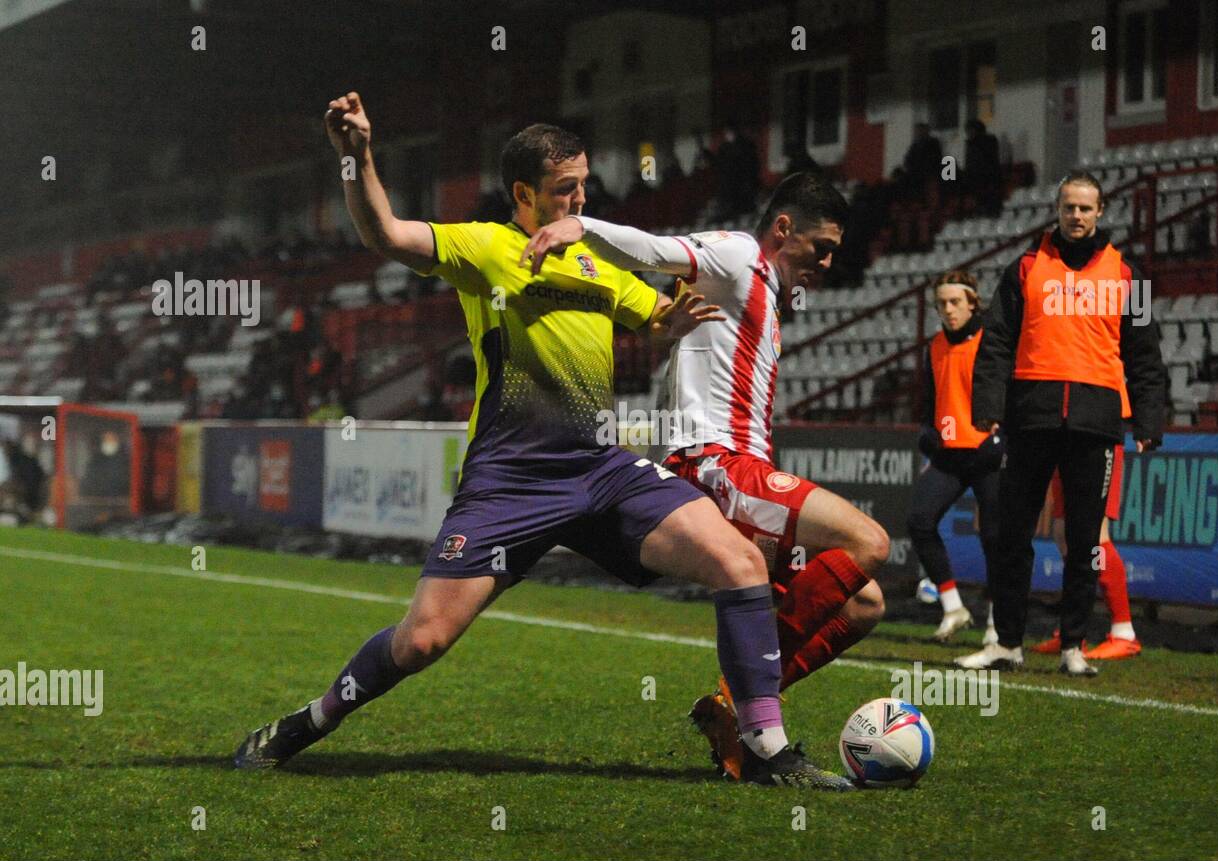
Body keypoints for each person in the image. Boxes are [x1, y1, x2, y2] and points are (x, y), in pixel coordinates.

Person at [233, 94, 853, 791]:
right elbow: (386, 234)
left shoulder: (593, 261)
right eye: (568, 189)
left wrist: (673, 322)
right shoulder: (485, 245)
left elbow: (659, 316)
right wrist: (358, 158)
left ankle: (767, 750)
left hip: (602, 470)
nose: (582, 197)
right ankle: (307, 721)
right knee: (422, 640)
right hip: (512, 480)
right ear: (524, 193)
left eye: (586, 184)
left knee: (739, 562)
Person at [521, 172, 890, 781]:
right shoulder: (741, 256)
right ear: (782, 229)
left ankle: (735, 710)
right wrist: (578, 227)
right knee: (869, 542)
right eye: (819, 246)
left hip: (742, 467)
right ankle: (748, 712)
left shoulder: (766, 294)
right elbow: (656, 248)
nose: (826, 262)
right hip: (715, 465)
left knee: (864, 603)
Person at [955, 170, 1165, 677]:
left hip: (1096, 425)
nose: (1077, 216)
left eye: (1086, 208)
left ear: (1099, 213)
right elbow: (998, 342)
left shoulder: (1128, 277)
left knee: (1085, 543)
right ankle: (1006, 642)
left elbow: (1144, 354)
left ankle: (1074, 645)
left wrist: (1150, 420)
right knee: (1013, 535)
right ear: (1057, 209)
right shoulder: (1025, 268)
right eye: (1069, 207)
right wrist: (989, 405)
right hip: (1032, 420)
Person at [906, 270, 1002, 644]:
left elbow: (1011, 390)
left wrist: (1003, 434)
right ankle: (953, 606)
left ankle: (997, 623)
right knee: (919, 520)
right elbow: (929, 401)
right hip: (949, 453)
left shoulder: (993, 341)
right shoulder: (934, 346)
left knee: (996, 538)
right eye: (942, 303)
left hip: (987, 452)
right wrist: (928, 432)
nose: (948, 310)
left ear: (973, 302)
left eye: (955, 302)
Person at [1032, 446, 1141, 659]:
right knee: (1063, 533)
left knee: (1095, 539)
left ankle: (1124, 632)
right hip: (1066, 441)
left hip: (1098, 441)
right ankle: (1073, 633)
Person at [963, 120, 1003, 216]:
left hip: (987, 181)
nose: (969, 133)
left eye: (971, 130)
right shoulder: (970, 144)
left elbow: (986, 162)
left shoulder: (987, 142)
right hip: (976, 182)